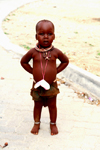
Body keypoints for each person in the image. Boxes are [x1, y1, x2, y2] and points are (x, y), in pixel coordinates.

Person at [20, 19, 69, 135]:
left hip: (51, 85)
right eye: (41, 34)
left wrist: (55, 71)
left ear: (54, 36)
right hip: (37, 85)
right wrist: (33, 72)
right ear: (36, 36)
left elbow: (65, 61)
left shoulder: (56, 52)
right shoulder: (33, 52)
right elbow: (23, 62)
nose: (46, 37)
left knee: (52, 106)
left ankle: (53, 124)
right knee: (37, 105)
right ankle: (36, 123)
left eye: (49, 34)